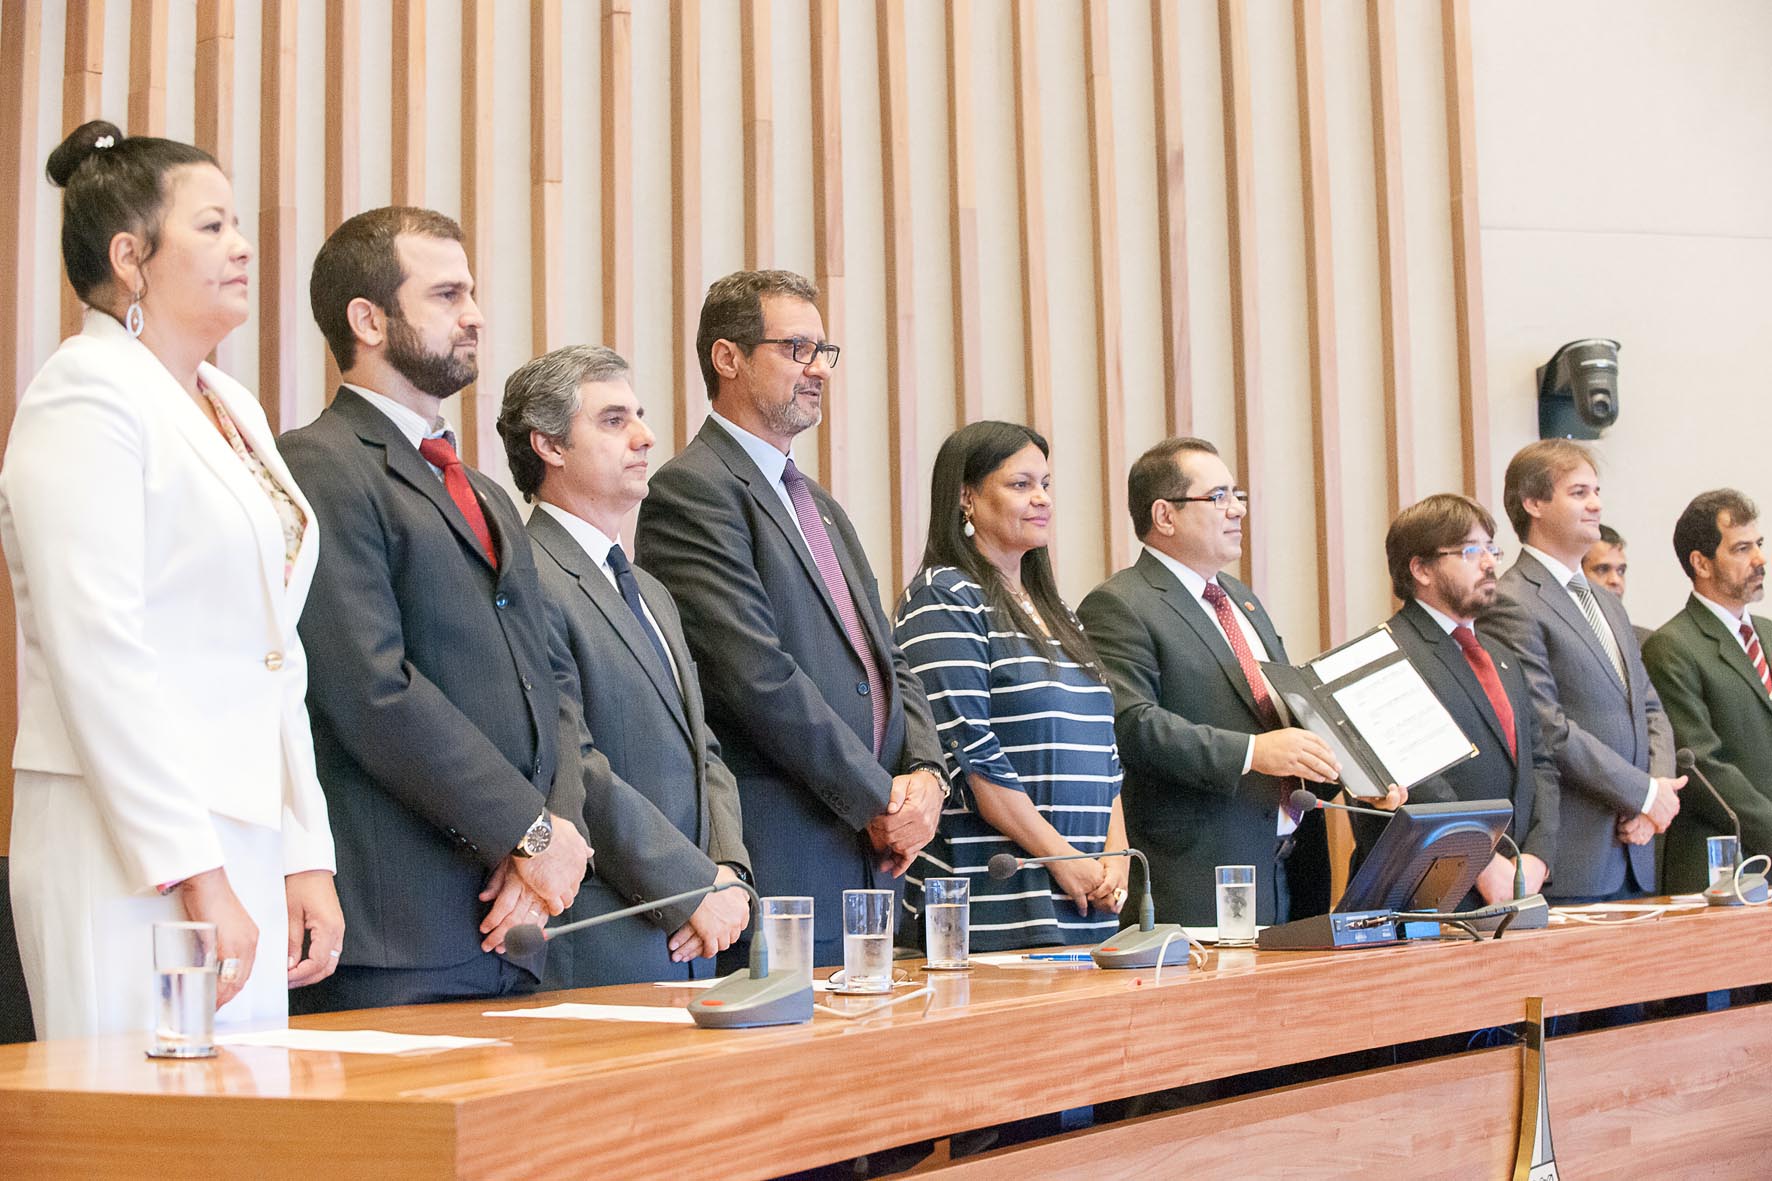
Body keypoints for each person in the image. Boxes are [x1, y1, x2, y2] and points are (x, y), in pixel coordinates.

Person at [0, 121, 341, 1038]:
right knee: (143, 1102)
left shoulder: (232, 405)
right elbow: (98, 649)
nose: (243, 246)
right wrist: (195, 870)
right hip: (127, 840)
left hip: (244, 830)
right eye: (212, 225)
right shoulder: (85, 393)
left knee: (252, 1107)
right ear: (131, 258)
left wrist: (304, 848)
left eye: (238, 224)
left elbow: (277, 648)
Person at [281, 207, 597, 1011]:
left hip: (517, 920)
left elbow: (553, 682)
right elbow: (371, 689)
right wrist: (526, 831)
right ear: (369, 320)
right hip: (398, 929)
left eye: (473, 293)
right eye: (448, 295)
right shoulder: (318, 464)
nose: (476, 315)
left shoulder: (485, 491)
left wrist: (554, 837)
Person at [636, 269, 946, 967]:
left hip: (874, 864)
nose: (819, 370)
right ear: (728, 357)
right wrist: (877, 800)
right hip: (788, 856)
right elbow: (754, 675)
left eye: (823, 351)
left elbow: (888, 659)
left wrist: (927, 775)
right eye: (797, 349)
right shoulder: (692, 491)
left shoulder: (820, 505)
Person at [497, 345, 753, 985]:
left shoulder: (652, 591)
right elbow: (574, 762)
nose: (645, 436)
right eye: (614, 421)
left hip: (698, 928)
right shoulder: (527, 575)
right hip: (606, 933)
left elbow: (704, 748)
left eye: (638, 416)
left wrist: (727, 871)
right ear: (549, 446)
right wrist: (690, 886)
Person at [1077, 438, 1340, 928]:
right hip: (1199, 874)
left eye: (1237, 495)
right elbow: (1131, 725)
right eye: (1218, 497)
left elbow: (1286, 715)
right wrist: (1251, 752)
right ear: (1165, 515)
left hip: (1287, 869)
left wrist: (1356, 772)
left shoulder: (1241, 599)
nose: (1237, 509)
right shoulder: (1120, 604)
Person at [893, 421, 1127, 951]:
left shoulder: (1058, 611)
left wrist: (1115, 856)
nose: (1042, 498)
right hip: (997, 894)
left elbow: (1105, 751)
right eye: (1021, 485)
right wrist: (1060, 857)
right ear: (967, 498)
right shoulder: (944, 596)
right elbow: (967, 751)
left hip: (1089, 892)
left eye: (1045, 484)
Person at [1481, 440, 1683, 903]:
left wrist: (1657, 796)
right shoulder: (1511, 601)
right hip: (1577, 858)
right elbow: (1546, 727)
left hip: (1638, 848)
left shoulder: (1607, 602)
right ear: (1533, 503)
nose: (1596, 504)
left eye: (1596, 491)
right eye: (1578, 493)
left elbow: (1650, 707)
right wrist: (1642, 795)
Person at [1365, 495, 1558, 906]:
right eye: (1471, 551)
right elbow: (1416, 777)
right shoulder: (1383, 655)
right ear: (1421, 569)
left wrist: (1537, 860)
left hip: (1520, 889)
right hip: (1430, 898)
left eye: (1491, 549)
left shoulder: (1502, 657)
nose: (1489, 563)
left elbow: (1540, 764)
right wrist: (1482, 864)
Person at [1643, 490, 1772, 892]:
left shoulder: (1768, 633)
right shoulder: (1672, 646)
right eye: (1742, 549)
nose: (1760, 559)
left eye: (1758, 544)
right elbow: (1700, 764)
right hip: (1724, 866)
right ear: (1701, 563)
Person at [1583, 524, 1653, 644]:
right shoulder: (1561, 640)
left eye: (1621, 571)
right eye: (1602, 569)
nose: (1616, 580)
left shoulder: (1645, 643)